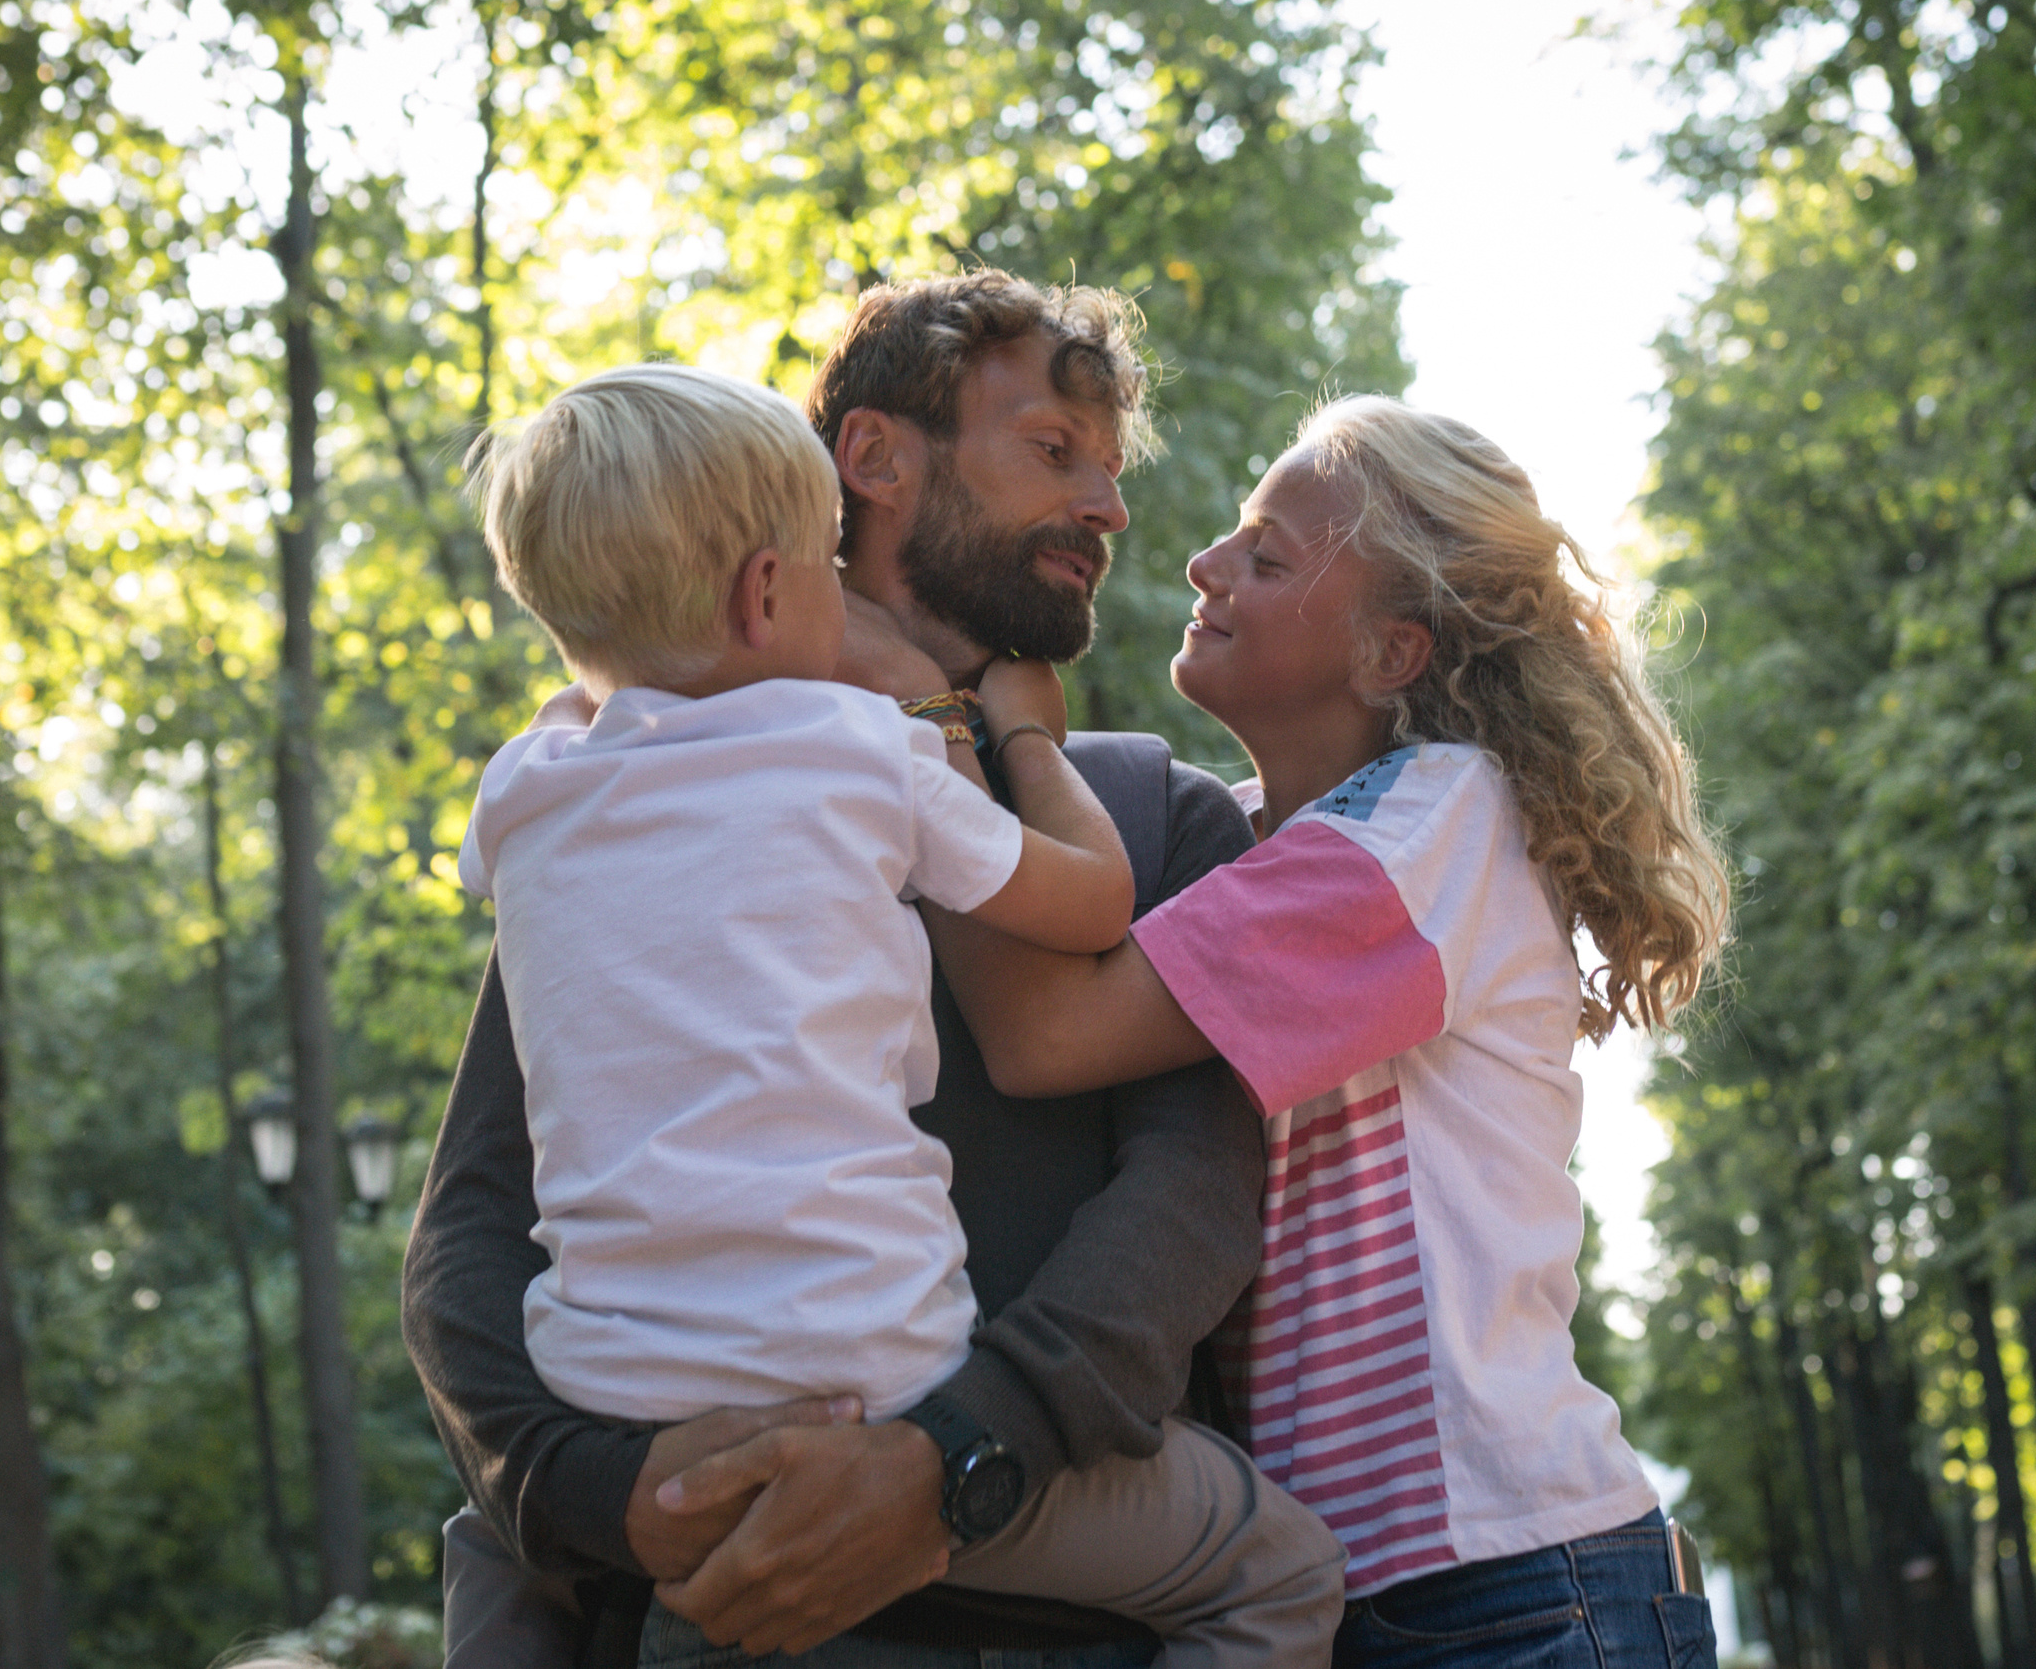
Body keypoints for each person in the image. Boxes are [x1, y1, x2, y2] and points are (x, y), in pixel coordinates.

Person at [398, 270, 1293, 1668]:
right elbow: (469, 1232)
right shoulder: (626, 805)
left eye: (1110, 472)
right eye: (1054, 451)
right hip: (699, 1592)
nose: (1111, 509)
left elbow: (1189, 1200)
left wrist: (952, 1459)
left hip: (1051, 1614)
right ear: (870, 461)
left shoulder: (1151, 806)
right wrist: (606, 1494)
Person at [870, 398, 1732, 1669]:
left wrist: (950, 720)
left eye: (1266, 559)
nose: (1202, 566)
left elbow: (1045, 1034)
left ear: (1391, 655)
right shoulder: (1247, 845)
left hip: (1507, 1589)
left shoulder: (1429, 829)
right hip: (1353, 1591)